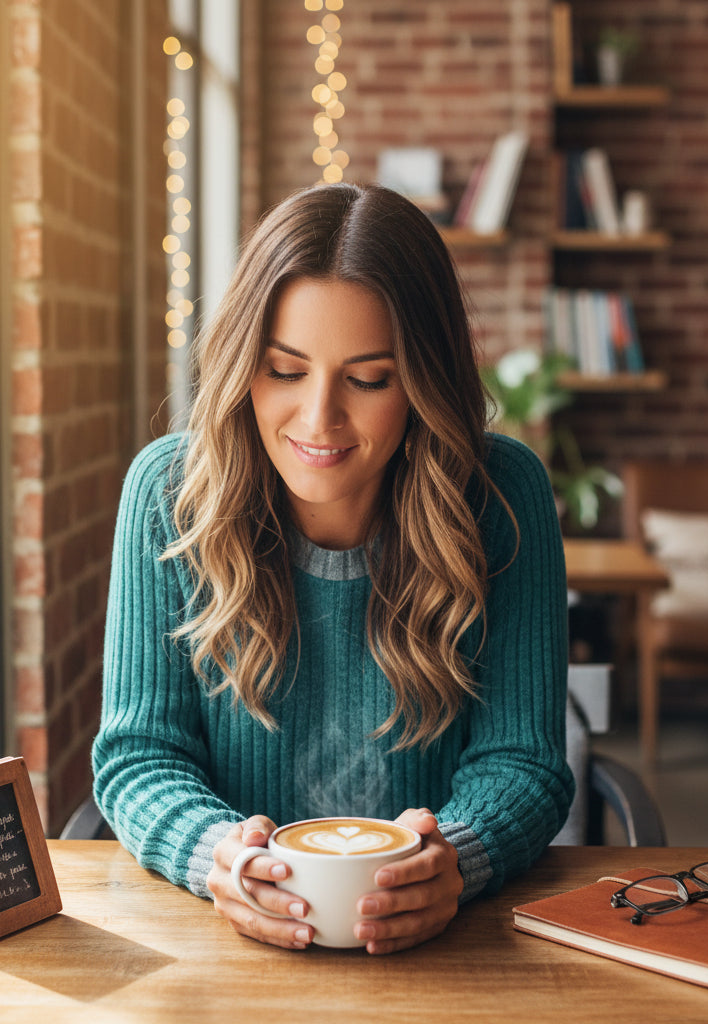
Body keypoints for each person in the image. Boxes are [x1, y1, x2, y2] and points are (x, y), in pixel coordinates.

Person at [92, 182, 574, 955]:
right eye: (285, 370)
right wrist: (214, 853)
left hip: (443, 958)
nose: (319, 419)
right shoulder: (168, 494)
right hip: (226, 952)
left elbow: (524, 760)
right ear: (243, 365)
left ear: (424, 382)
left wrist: (459, 853)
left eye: (370, 378)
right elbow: (138, 757)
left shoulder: (502, 498)